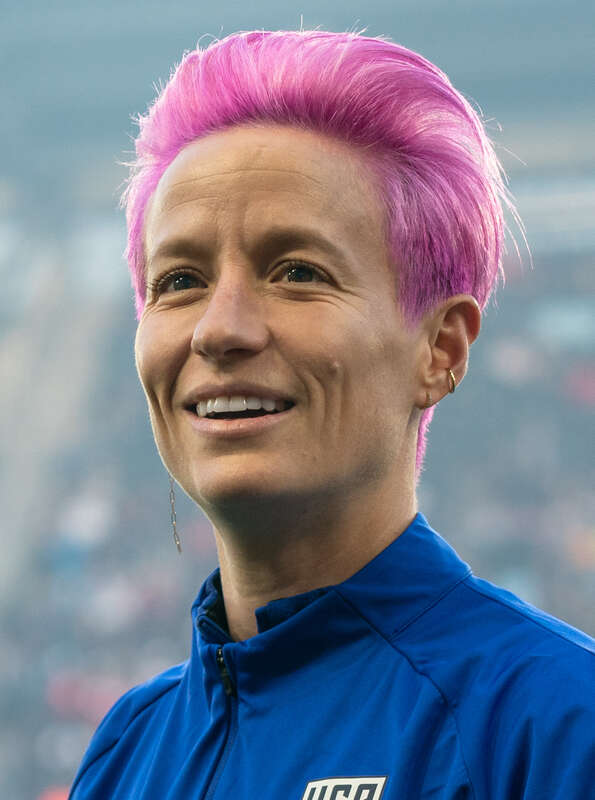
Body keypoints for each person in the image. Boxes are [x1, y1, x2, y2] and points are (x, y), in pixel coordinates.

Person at [68, 30, 594, 799]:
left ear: (439, 348)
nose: (218, 330)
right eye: (179, 280)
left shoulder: (553, 724)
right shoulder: (127, 749)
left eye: (296, 271)